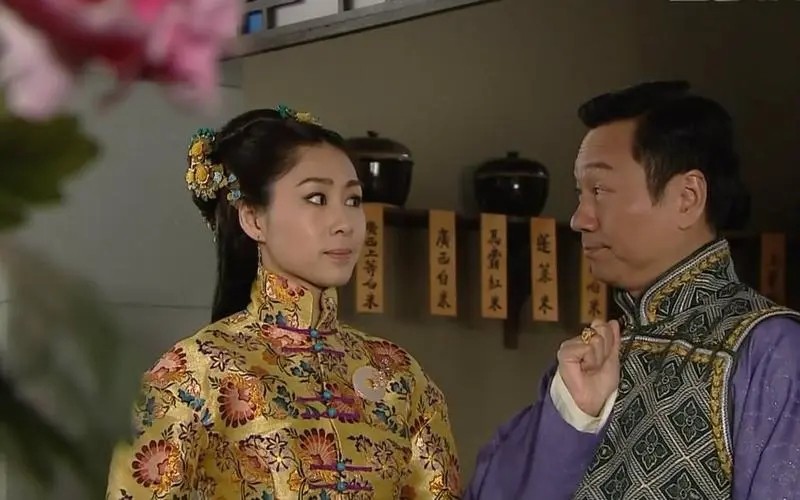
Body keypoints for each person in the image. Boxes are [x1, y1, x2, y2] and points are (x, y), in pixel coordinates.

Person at [465, 81, 800, 499]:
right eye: (580, 193)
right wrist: (571, 417)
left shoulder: (770, 351)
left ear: (687, 197)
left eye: (600, 191)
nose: (580, 219)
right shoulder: (593, 357)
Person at [106, 106, 461, 499]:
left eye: (353, 200)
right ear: (254, 219)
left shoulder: (400, 376)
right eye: (317, 198)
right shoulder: (193, 374)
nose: (344, 222)